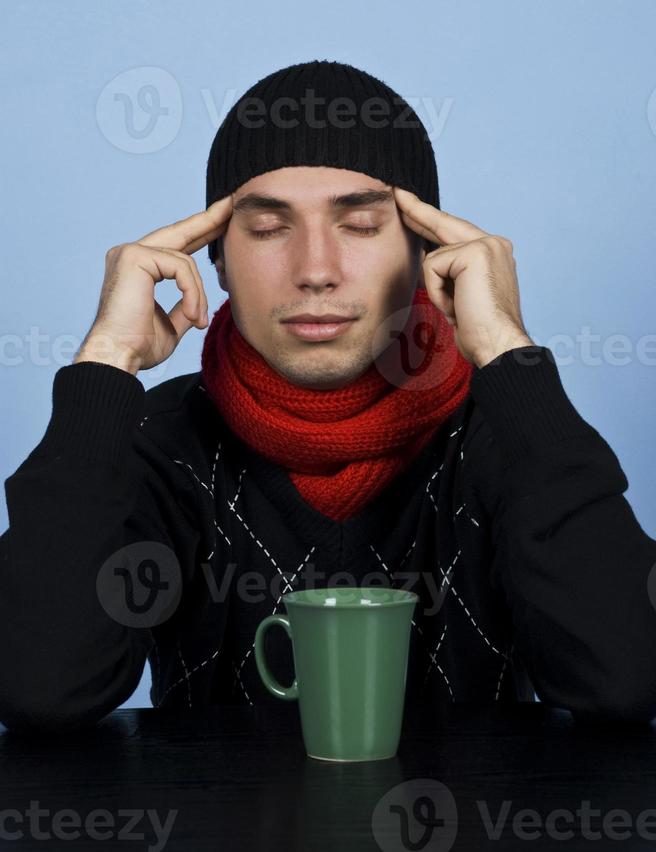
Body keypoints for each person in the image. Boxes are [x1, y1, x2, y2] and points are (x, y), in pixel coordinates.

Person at [1, 59, 654, 735]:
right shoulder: (154, 440)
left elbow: (627, 679)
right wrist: (106, 365)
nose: (315, 271)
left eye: (362, 225)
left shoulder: (506, 436)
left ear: (428, 252)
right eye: (266, 228)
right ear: (215, 258)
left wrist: (511, 361)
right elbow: (40, 689)